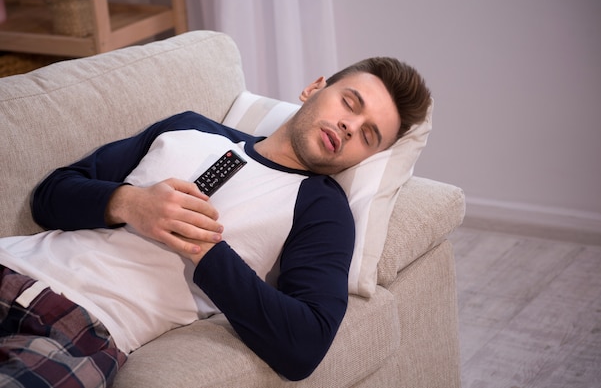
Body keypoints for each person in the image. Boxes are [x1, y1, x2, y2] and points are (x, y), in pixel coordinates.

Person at [0, 57, 431, 387]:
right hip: (12, 267)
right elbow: (49, 196)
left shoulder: (322, 211)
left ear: (365, 157)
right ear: (314, 88)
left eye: (369, 135)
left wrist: (203, 247)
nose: (350, 125)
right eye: (349, 103)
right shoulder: (189, 129)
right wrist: (129, 203)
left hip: (79, 325)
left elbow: (304, 345)